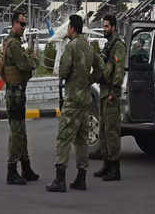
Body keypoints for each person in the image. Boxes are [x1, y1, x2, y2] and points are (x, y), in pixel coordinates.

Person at [46, 15, 103, 192]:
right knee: (81, 140)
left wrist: (71, 78)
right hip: (85, 99)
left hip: (72, 99)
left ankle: (60, 179)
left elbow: (62, 71)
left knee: (64, 138)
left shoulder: (71, 47)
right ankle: (81, 178)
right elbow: (100, 67)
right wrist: (88, 80)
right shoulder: (88, 46)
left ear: (72, 28)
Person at [4, 12, 39, 185]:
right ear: (14, 24)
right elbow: (24, 64)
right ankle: (12, 171)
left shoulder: (15, 43)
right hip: (15, 94)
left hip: (17, 93)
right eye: (21, 24)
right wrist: (33, 61)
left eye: (25, 24)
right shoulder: (14, 45)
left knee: (22, 132)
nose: (24, 27)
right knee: (17, 134)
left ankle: (26, 168)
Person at [93, 14, 126, 181]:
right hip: (104, 91)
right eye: (104, 26)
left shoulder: (118, 46)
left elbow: (119, 71)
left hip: (111, 93)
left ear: (113, 27)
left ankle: (115, 168)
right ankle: (106, 165)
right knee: (103, 130)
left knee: (112, 131)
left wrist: (114, 91)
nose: (104, 29)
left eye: (106, 26)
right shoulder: (108, 45)